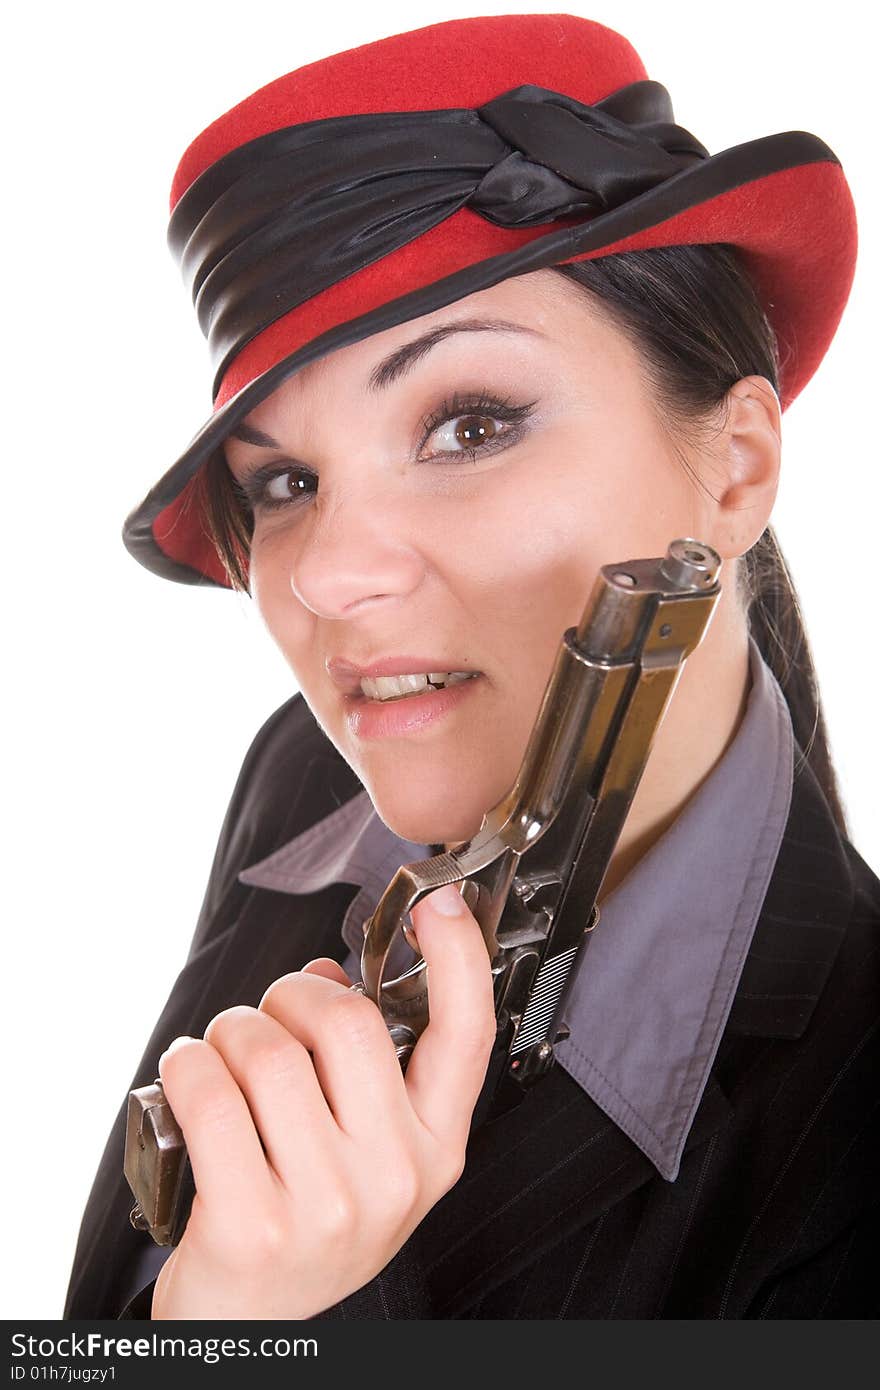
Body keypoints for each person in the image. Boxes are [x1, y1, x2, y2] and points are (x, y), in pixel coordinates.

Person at [64, 12, 878, 1319]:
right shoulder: (305, 779)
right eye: (284, 480)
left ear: (735, 467)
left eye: (472, 420)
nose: (327, 575)